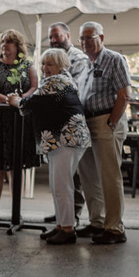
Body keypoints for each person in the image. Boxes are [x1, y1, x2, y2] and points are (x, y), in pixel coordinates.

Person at [8, 49, 90, 244]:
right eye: (43, 64)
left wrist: (14, 100)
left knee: (62, 184)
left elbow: (29, 104)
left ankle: (68, 229)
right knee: (58, 184)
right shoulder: (64, 79)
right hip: (63, 139)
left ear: (61, 65)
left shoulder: (56, 81)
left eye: (50, 64)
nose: (45, 68)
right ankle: (62, 225)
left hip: (65, 139)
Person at [75, 21, 131, 244]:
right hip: (86, 124)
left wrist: (111, 122)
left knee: (109, 176)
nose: (85, 42)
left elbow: (124, 95)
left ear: (102, 38)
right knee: (88, 176)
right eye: (82, 38)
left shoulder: (114, 59)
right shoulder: (86, 63)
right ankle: (97, 221)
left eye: (90, 37)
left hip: (106, 120)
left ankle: (115, 228)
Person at [0, 29, 39, 222]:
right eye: (3, 42)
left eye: (9, 42)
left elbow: (34, 86)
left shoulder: (27, 66)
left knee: (16, 167)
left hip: (20, 118)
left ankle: (16, 209)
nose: (5, 45)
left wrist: (20, 100)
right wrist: (8, 100)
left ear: (17, 46)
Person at [44, 22, 89, 226]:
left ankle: (72, 219)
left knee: (72, 177)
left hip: (72, 127)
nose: (54, 40)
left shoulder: (78, 59)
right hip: (59, 126)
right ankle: (63, 216)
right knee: (61, 179)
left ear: (68, 35)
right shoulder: (53, 62)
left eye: (57, 36)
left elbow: (76, 89)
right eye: (51, 37)